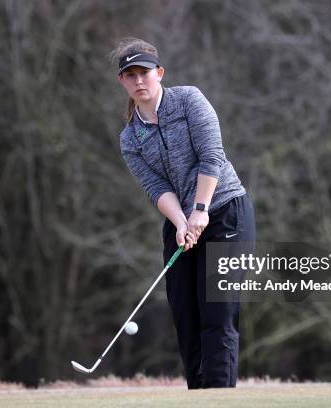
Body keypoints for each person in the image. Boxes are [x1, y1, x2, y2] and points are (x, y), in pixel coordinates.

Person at [111, 37, 256, 389]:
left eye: (144, 72)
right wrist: (180, 221)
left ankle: (219, 398)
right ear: (123, 82)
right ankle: (198, 396)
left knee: (217, 315)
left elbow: (212, 158)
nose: (139, 81)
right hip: (181, 222)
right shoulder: (130, 139)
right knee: (186, 318)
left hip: (225, 213)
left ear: (159, 73)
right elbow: (157, 188)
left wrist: (200, 211)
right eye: (130, 75)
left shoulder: (189, 100)